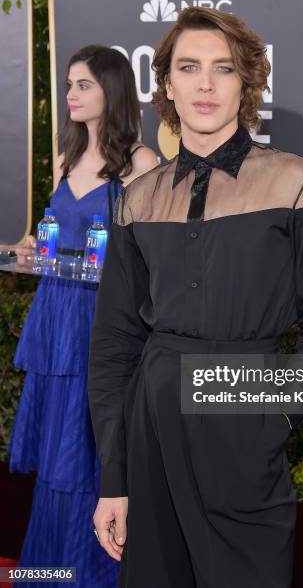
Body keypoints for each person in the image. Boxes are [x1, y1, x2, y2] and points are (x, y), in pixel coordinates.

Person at [88, 8, 303, 588]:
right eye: (190, 68)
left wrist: (275, 412)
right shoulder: (139, 197)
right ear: (167, 84)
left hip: (243, 413)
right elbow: (114, 341)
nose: (205, 84)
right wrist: (114, 477)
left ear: (246, 83)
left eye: (223, 69)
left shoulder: (295, 181)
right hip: (151, 424)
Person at [9, 45, 158, 587]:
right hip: (55, 318)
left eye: (82, 85)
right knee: (57, 458)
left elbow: (158, 255)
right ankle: (50, 574)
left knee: (96, 455)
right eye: (69, 85)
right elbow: (55, 240)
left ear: (111, 90)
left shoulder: (140, 163)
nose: (70, 95)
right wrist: (32, 252)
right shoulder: (67, 157)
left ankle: (95, 577)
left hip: (105, 321)